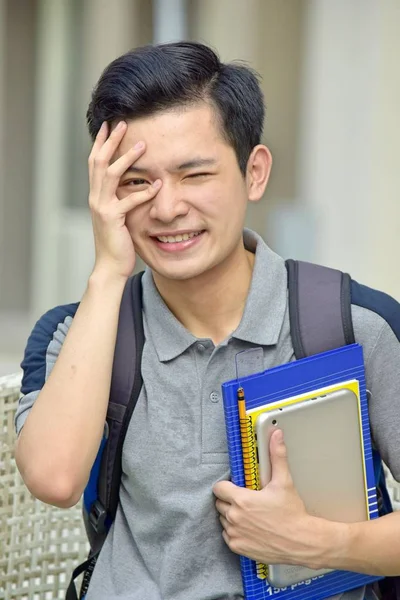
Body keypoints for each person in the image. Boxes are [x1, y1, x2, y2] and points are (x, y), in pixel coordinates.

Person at [15, 41, 400, 600]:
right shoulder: (78, 334)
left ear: (254, 172)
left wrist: (315, 542)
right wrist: (107, 273)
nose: (167, 207)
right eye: (136, 181)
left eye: (194, 174)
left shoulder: (354, 324)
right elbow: (53, 479)